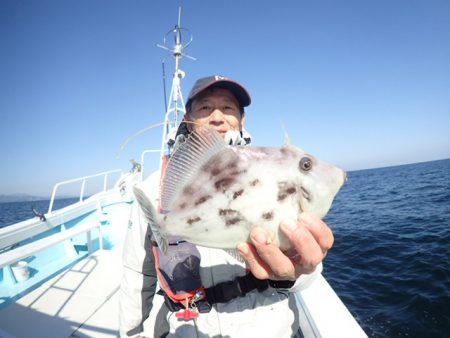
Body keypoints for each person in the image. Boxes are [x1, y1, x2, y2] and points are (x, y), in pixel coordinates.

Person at [119, 75, 335, 338]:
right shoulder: (156, 189)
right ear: (188, 117)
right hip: (187, 328)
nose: (217, 117)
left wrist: (298, 269)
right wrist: (131, 333)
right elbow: (137, 274)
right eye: (205, 107)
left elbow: (308, 276)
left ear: (242, 120)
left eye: (228, 107)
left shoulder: (271, 170)